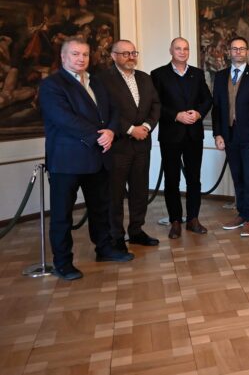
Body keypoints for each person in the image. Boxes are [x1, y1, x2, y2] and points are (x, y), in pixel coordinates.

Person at [39, 36, 133, 280]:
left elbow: (113, 111)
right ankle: (63, 263)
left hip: (99, 157)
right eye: (75, 54)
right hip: (68, 161)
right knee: (62, 215)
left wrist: (111, 131)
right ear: (63, 57)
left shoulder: (96, 82)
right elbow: (63, 118)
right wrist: (97, 136)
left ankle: (104, 249)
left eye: (85, 54)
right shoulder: (52, 85)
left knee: (100, 208)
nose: (81, 59)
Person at [101, 40, 161, 252]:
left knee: (139, 191)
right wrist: (129, 129)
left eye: (133, 52)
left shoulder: (144, 78)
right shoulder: (103, 80)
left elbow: (156, 105)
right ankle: (116, 236)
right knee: (115, 194)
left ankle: (136, 231)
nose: (131, 57)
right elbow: (104, 111)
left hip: (143, 143)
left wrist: (145, 126)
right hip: (118, 146)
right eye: (125, 53)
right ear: (113, 55)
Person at [151, 37, 213, 239]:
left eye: (186, 48)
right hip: (171, 134)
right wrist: (176, 115)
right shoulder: (158, 74)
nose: (182, 51)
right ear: (171, 50)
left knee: (194, 179)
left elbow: (207, 99)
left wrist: (198, 113)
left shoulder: (197, 73)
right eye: (178, 48)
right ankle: (175, 221)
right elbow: (156, 104)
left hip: (194, 134)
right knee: (172, 179)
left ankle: (193, 219)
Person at [212, 36, 249, 237]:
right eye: (235, 49)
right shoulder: (220, 76)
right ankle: (241, 213)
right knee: (237, 176)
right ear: (229, 52)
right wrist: (217, 134)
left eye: (242, 49)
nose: (238, 52)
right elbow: (216, 108)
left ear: (247, 51)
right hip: (229, 134)